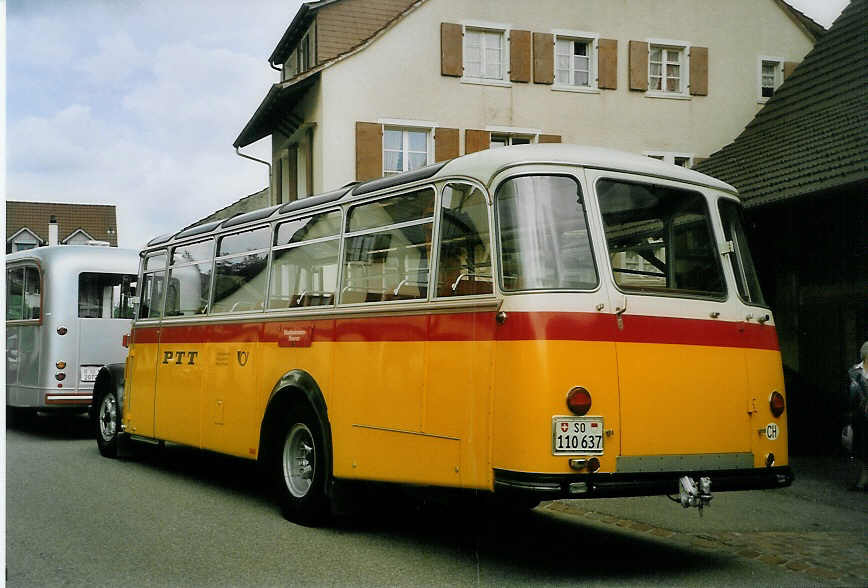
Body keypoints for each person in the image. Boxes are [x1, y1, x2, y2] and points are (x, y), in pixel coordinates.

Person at [846, 341, 868, 490]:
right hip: (861, 417)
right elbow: (850, 397)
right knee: (862, 448)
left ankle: (863, 481)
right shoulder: (854, 372)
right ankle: (863, 480)